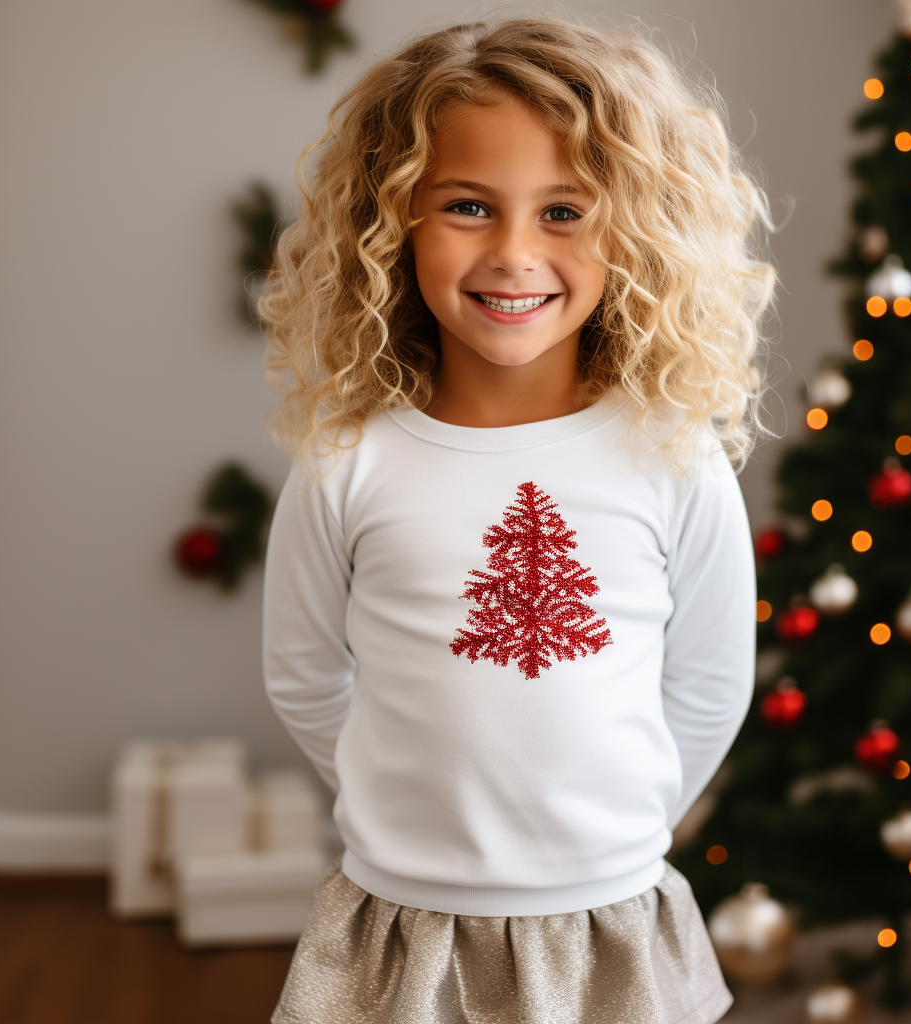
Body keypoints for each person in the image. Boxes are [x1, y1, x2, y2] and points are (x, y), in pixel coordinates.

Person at [259, 15, 775, 1024]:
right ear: (392, 220)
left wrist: (609, 832)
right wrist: (408, 808)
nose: (512, 253)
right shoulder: (345, 462)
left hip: (610, 917)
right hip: (403, 917)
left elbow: (709, 685)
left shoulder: (671, 455)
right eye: (466, 205)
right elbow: (305, 675)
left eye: (563, 211)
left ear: (633, 226)